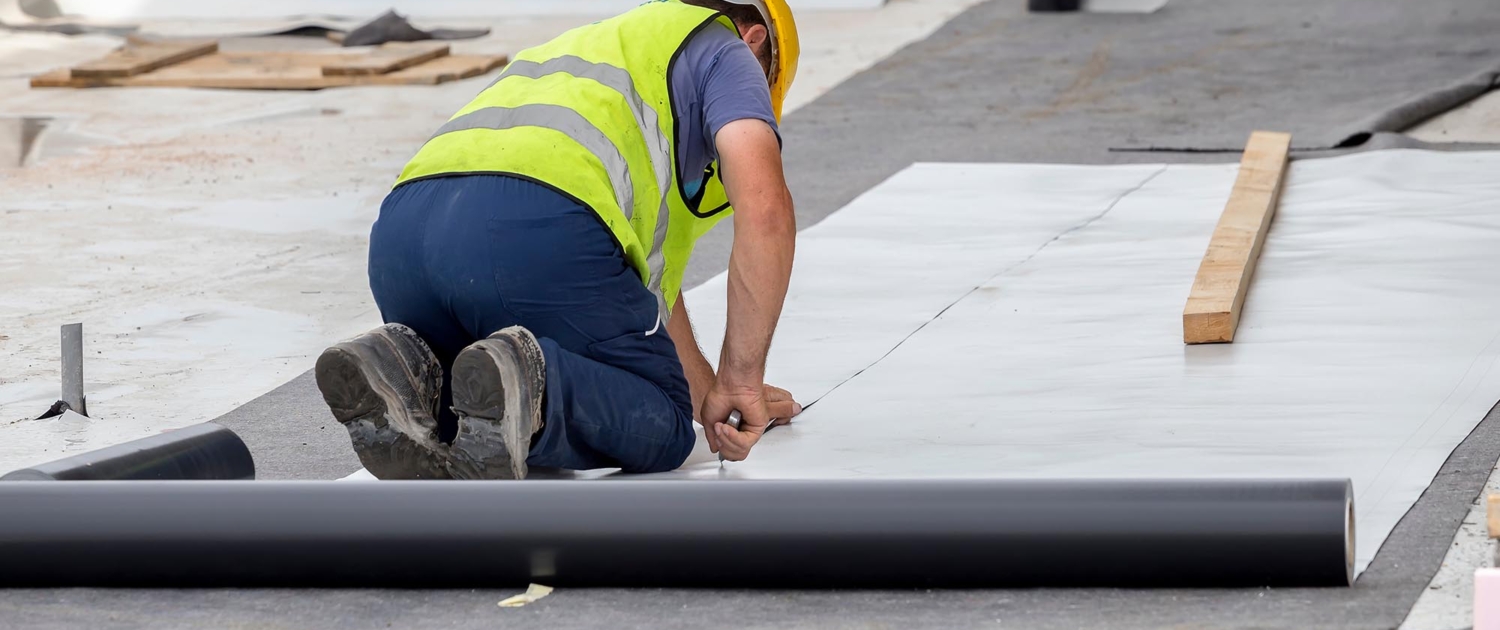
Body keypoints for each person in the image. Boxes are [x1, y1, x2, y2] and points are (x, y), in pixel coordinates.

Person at [314, 0, 805, 479]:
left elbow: (649, 303)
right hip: (536, 227)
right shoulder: (727, 48)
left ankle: (404, 366)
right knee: (662, 424)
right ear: (755, 38)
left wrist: (715, 397)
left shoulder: (586, 48)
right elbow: (766, 211)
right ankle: (529, 382)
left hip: (404, 237)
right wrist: (741, 381)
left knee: (479, 407)